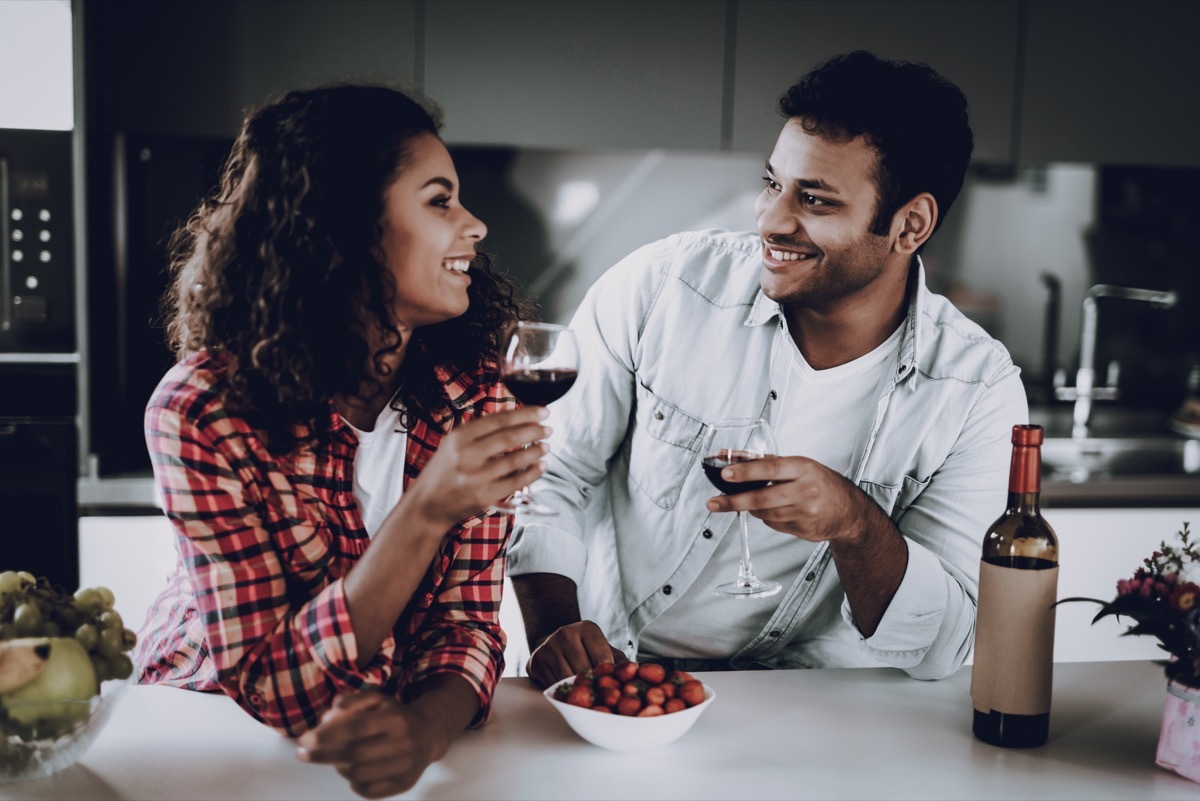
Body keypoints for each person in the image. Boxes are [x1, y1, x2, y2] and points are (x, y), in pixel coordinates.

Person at [506, 51, 1028, 687]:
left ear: (909, 225)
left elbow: (944, 645)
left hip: (826, 705)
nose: (771, 219)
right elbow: (549, 472)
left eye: (814, 199)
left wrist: (855, 524)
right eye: (772, 183)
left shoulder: (977, 390)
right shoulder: (663, 287)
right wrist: (555, 626)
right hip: (628, 680)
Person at [133, 83, 549, 799]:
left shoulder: (477, 396)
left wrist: (423, 731)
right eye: (439, 200)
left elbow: (467, 626)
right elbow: (270, 682)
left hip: (387, 723)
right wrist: (428, 509)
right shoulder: (202, 409)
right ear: (346, 225)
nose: (475, 225)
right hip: (207, 733)